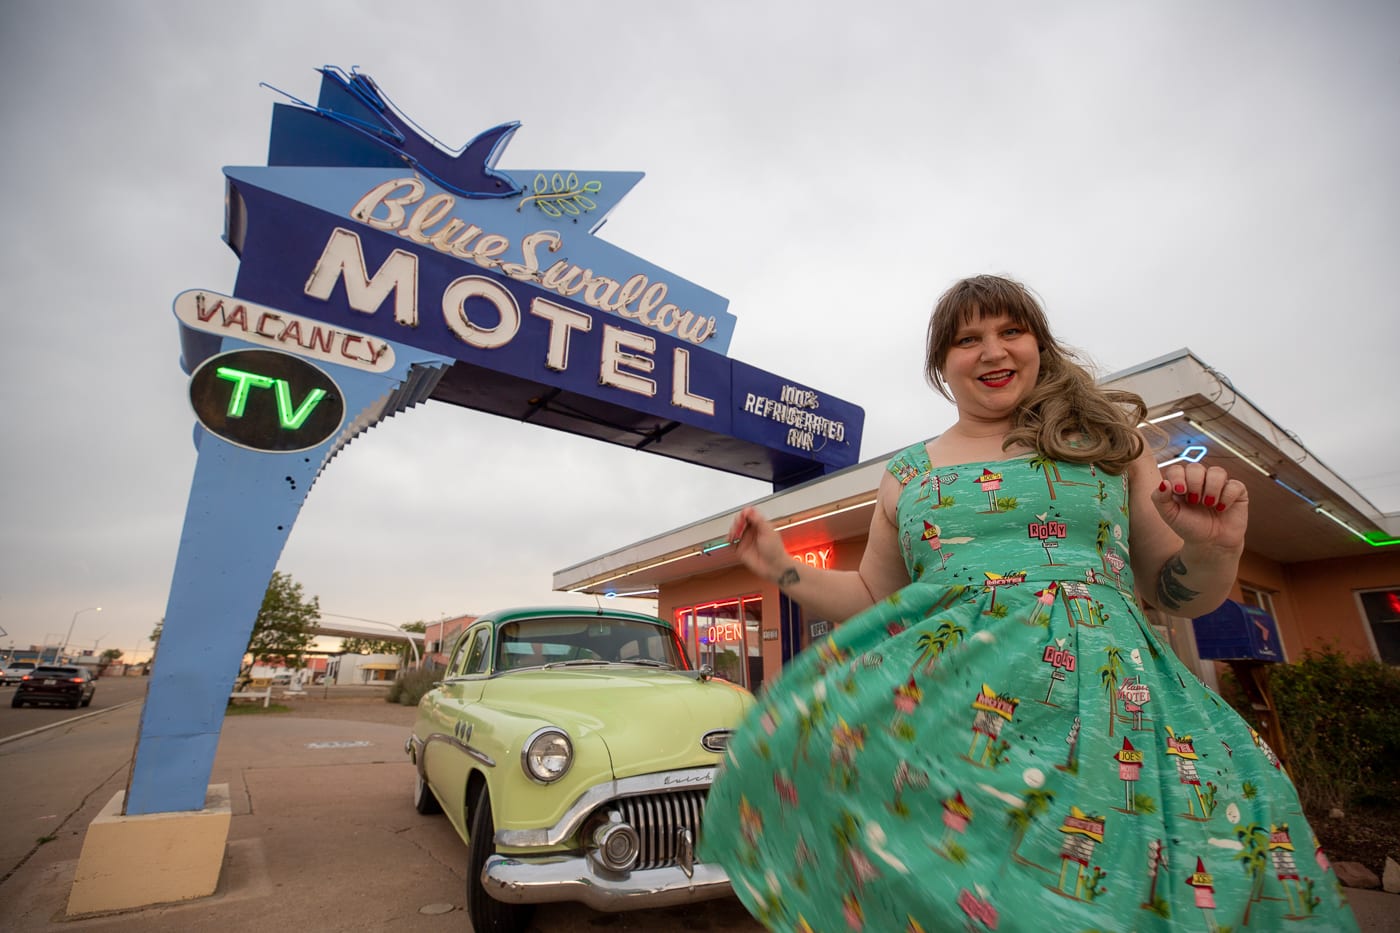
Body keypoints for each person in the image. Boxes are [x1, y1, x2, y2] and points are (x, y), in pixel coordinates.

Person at [699, 275, 1357, 932]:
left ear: (1037, 344)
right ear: (941, 366)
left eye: (1011, 331)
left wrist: (1217, 549)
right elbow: (875, 596)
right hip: (957, 732)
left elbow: (1173, 589)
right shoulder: (907, 475)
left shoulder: (1107, 445)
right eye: (968, 339)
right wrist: (782, 568)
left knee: (1115, 898)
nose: (993, 350)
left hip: (1108, 724)